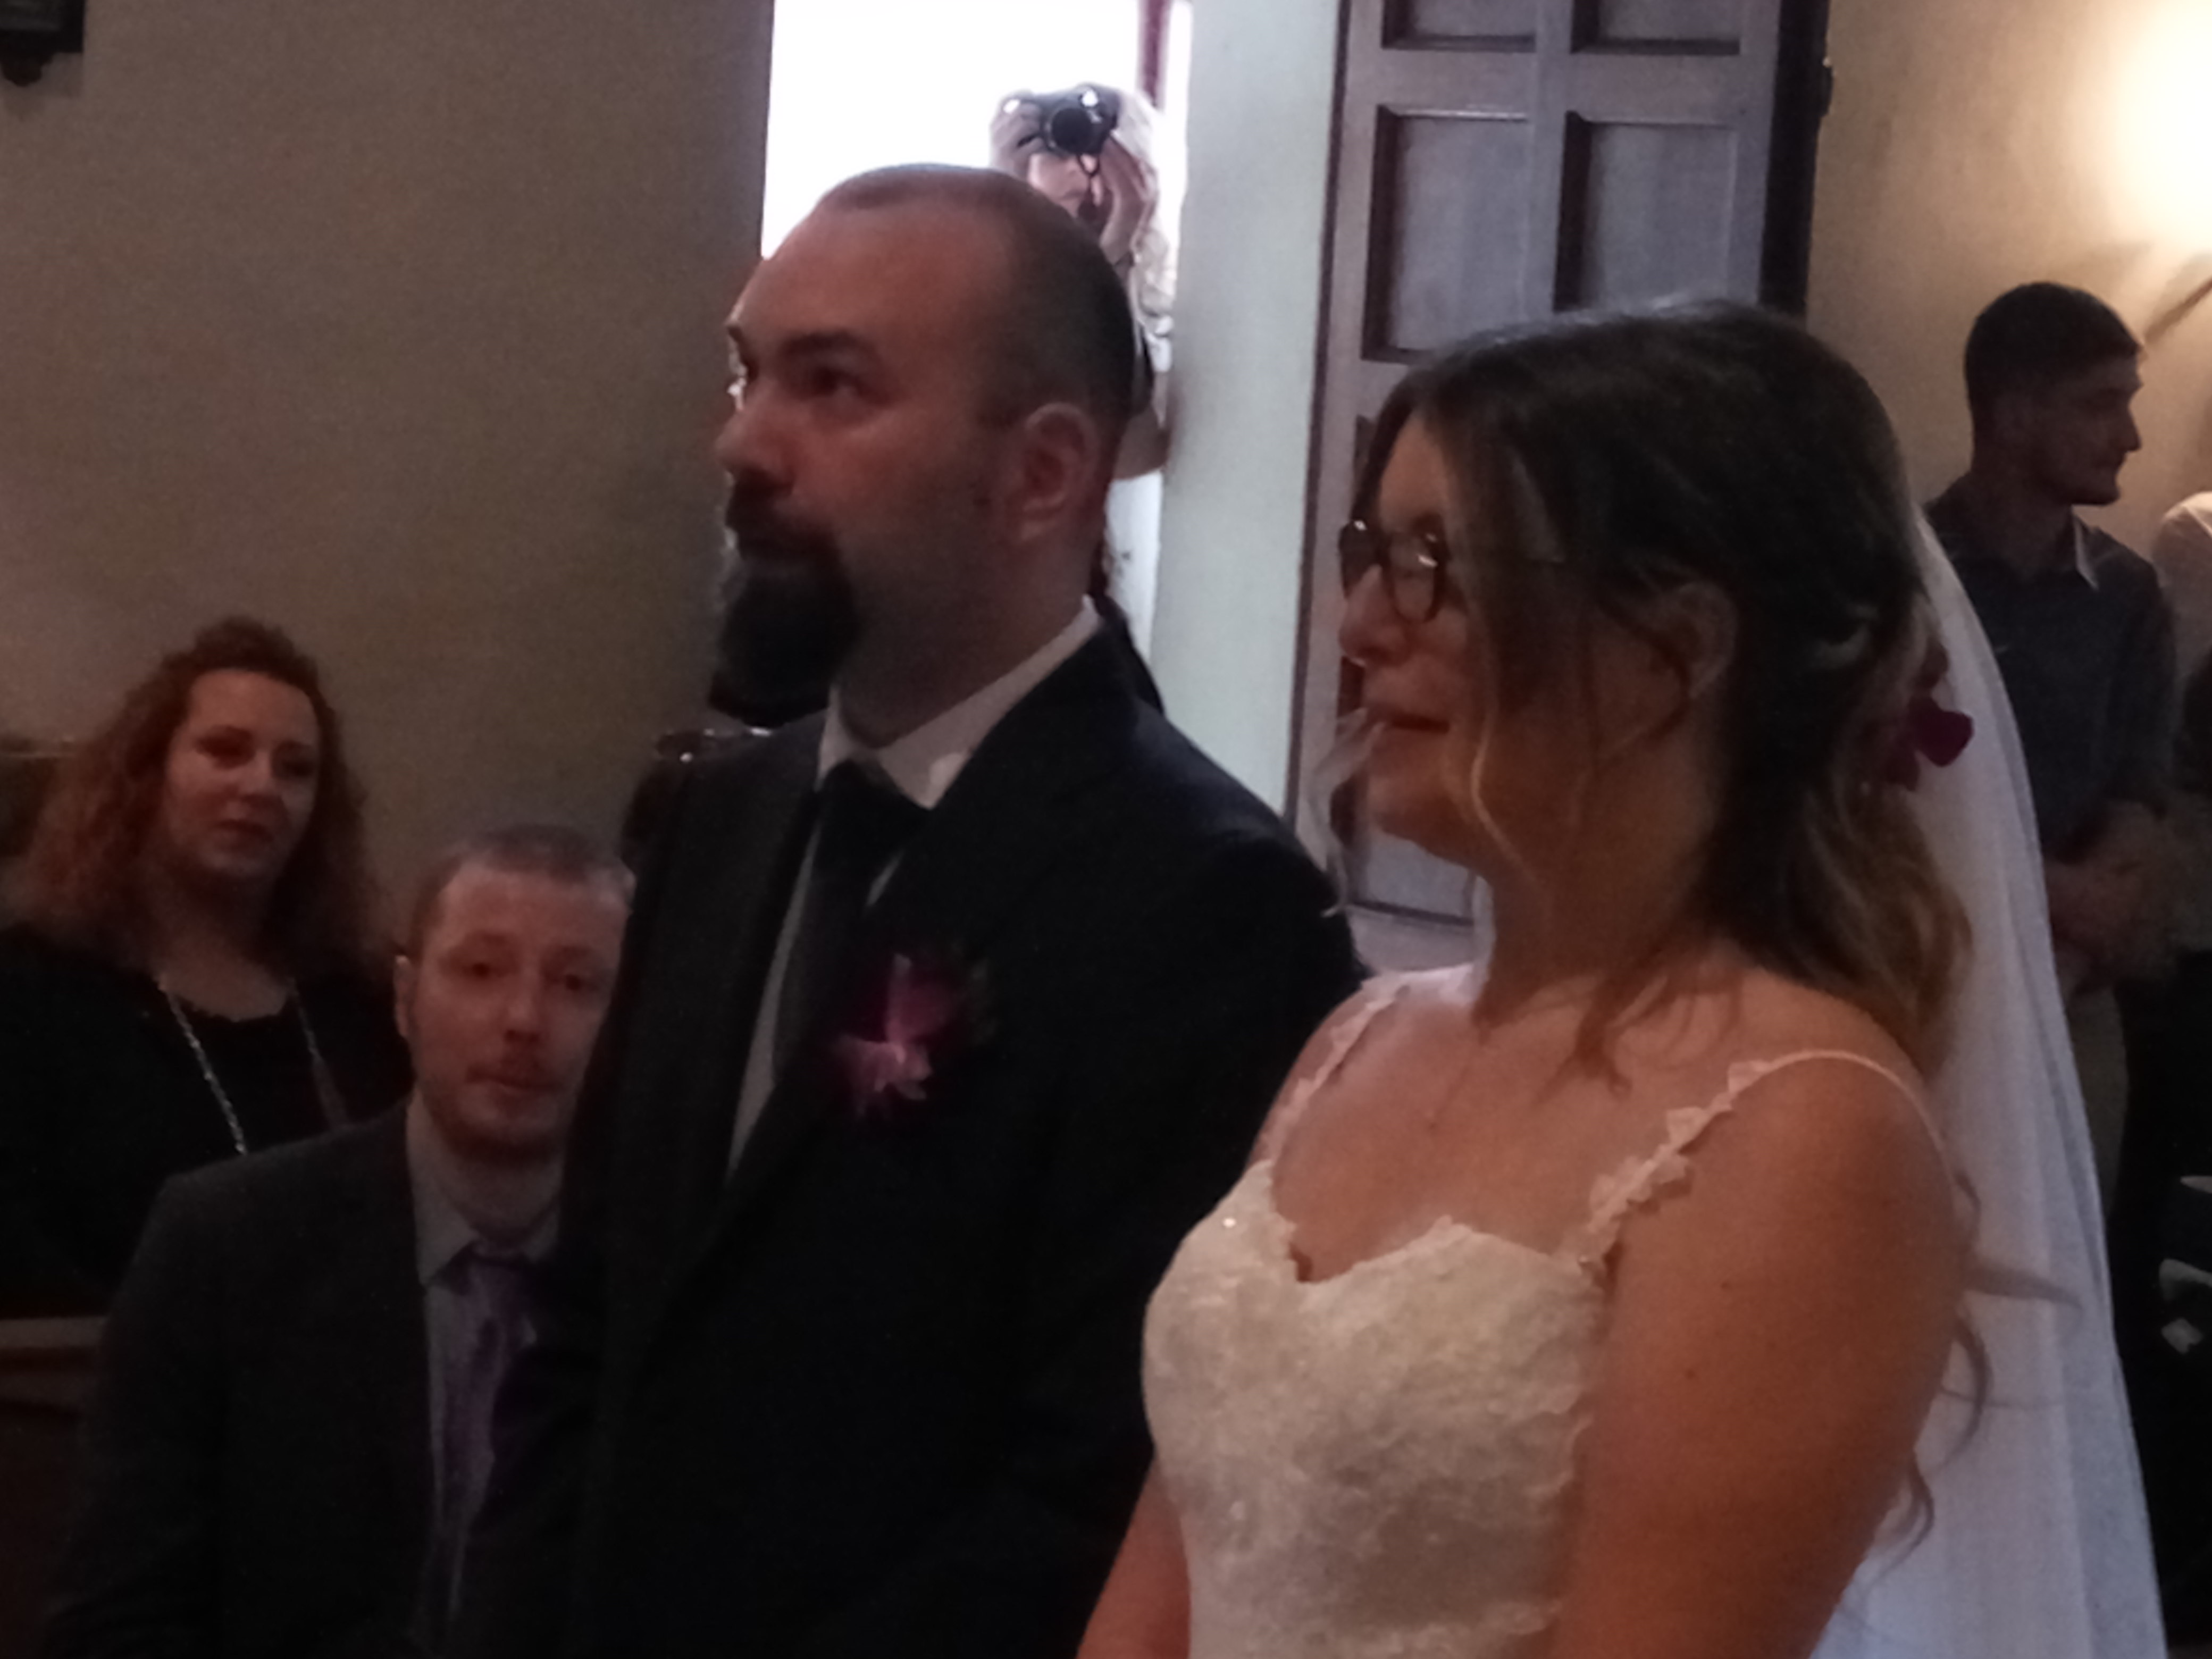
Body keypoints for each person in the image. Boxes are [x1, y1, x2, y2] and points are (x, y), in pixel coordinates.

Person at [1075, 304, 2161, 1659]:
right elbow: (1167, 1581)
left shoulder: (1797, 1125)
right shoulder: (1357, 1036)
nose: (1358, 623)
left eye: (1435, 565)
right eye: (1372, 551)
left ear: (1675, 649)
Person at [449, 165, 1360, 1659]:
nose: (742, 444)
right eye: (748, 375)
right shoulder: (719, 815)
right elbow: (592, 1323)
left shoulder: (1206, 905)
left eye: (832, 387)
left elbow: (1103, 1479)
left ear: (1044, 472)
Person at [39, 824, 631, 1659]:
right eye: (480, 970)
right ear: (405, 998)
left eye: (577, 984)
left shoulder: (672, 1270)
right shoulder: (225, 1244)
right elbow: (112, 1623)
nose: (524, 1020)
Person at [0, 616, 412, 1314]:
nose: (261, 786)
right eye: (225, 751)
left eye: (295, 769)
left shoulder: (359, 1003)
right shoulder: (31, 988)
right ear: (147, 776)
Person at [1923, 284, 2175, 1200]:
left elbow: (2139, 788)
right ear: (2014, 413)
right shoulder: (1906, 573)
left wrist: (2083, 929)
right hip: (1929, 961)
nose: (2130, 436)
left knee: (2074, 1232)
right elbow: (1875, 793)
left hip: (2072, 987)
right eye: (2100, 404)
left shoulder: (2127, 593)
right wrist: (2052, 893)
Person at [992, 82, 1175, 655]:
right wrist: (1001, 204)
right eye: (1059, 142)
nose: (1078, 165)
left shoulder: (1163, 309)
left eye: (1097, 144)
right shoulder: (984, 290)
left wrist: (1115, 257)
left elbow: (1133, 455)